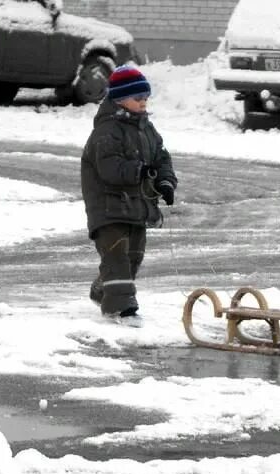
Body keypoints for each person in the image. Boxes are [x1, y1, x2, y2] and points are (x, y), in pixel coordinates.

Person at [80, 65, 177, 321]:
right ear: (120, 100)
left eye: (146, 98)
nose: (144, 103)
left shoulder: (147, 130)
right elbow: (109, 168)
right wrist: (139, 171)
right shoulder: (106, 132)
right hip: (109, 208)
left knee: (133, 256)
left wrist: (166, 182)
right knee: (117, 255)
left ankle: (105, 289)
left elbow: (162, 158)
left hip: (138, 206)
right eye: (138, 98)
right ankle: (120, 307)